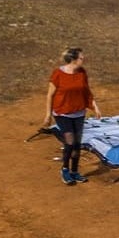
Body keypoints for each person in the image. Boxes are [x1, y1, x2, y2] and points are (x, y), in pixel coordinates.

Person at [43, 47, 101, 185]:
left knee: (77, 144)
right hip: (62, 113)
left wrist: (95, 106)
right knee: (69, 142)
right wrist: (47, 115)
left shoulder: (82, 72)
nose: (84, 59)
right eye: (81, 57)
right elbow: (50, 95)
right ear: (74, 60)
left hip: (79, 113)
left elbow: (86, 91)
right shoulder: (58, 74)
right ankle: (65, 169)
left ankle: (74, 171)